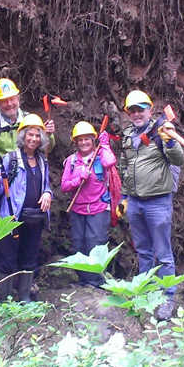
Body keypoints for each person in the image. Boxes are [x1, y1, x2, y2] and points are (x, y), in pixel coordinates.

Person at [117, 90, 184, 321]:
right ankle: (146, 293)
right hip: (135, 202)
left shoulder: (162, 131)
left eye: (140, 109)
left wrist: (171, 142)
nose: (136, 114)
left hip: (158, 201)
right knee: (144, 251)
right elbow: (125, 168)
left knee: (163, 253)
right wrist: (123, 197)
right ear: (128, 113)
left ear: (150, 109)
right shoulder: (127, 135)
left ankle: (167, 298)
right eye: (132, 110)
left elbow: (178, 160)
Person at [0, 114, 52, 302]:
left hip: (35, 218)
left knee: (29, 258)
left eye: (37, 135)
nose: (33, 139)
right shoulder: (11, 159)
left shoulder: (42, 161)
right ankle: (4, 300)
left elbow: (46, 184)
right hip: (12, 218)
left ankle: (24, 297)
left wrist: (47, 193)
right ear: (23, 136)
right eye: (30, 134)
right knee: (7, 259)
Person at [0, 78, 55, 215]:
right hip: (1, 185)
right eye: (4, 100)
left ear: (18, 98)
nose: (9, 104)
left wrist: (49, 135)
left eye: (12, 99)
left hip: (29, 181)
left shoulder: (30, 120)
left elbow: (47, 149)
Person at [60, 121, 116, 287]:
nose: (84, 143)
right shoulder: (71, 161)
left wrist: (105, 145)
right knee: (79, 243)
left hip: (98, 209)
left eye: (87, 139)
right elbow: (64, 186)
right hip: (78, 209)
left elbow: (110, 162)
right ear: (75, 142)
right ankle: (84, 280)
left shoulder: (100, 157)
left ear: (93, 140)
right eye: (80, 140)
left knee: (95, 243)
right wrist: (78, 179)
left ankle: (97, 281)